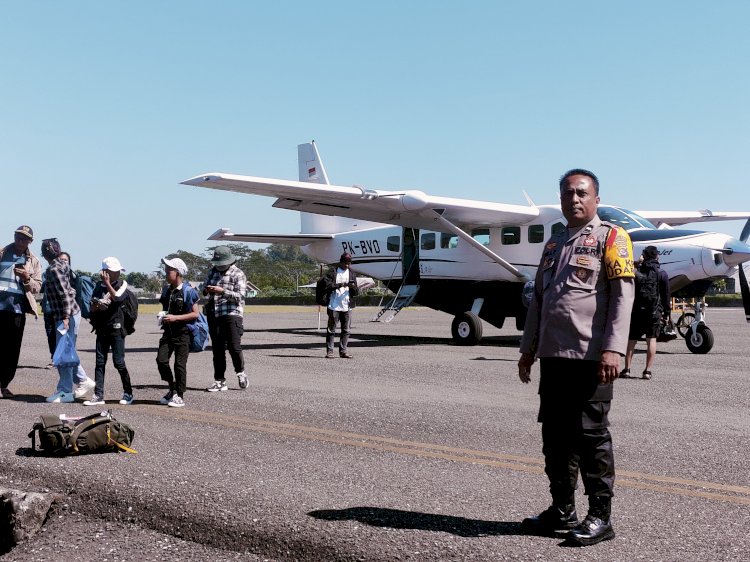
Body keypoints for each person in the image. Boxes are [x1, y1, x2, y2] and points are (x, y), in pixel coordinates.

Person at [518, 169, 635, 546]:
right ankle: (561, 510)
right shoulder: (553, 246)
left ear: (596, 199)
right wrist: (527, 348)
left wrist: (614, 347)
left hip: (591, 357)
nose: (575, 199)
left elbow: (622, 298)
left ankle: (600, 517)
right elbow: (540, 299)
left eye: (582, 193)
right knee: (555, 437)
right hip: (554, 356)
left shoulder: (612, 238)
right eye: (568, 193)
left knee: (591, 437)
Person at [42, 239, 95, 403]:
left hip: (66, 315)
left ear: (44, 254)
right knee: (67, 350)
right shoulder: (63, 265)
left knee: (64, 353)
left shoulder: (54, 268)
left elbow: (65, 293)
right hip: (71, 313)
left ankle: (65, 391)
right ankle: (83, 380)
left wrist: (65, 317)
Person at [84, 257, 134, 406]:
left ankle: (128, 393)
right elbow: (91, 308)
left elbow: (118, 299)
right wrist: (97, 305)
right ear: (105, 271)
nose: (117, 273)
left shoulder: (122, 284)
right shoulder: (98, 286)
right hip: (102, 328)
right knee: (100, 362)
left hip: (117, 328)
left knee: (119, 362)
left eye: (118, 270)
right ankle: (98, 395)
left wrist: (107, 284)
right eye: (114, 271)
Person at [0, 225, 42, 398]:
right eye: (18, 237)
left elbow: (37, 287)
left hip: (17, 311)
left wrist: (26, 278)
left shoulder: (34, 261)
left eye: (24, 239)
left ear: (30, 241)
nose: (20, 241)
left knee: (12, 350)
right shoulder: (2, 253)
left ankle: (4, 385)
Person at [202, 246, 248, 392]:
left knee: (234, 346)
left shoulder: (238, 273)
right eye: (217, 263)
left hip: (231, 313)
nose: (219, 266)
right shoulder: (212, 272)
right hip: (214, 313)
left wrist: (222, 291)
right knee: (217, 349)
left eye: (222, 263)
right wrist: (207, 289)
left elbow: (240, 296)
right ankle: (220, 380)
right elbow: (203, 289)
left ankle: (240, 373)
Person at [621, 246, 671, 380]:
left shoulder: (636, 272)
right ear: (657, 257)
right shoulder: (662, 273)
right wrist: (667, 313)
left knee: (631, 340)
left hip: (636, 311)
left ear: (644, 256)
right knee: (651, 340)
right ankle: (647, 371)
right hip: (653, 311)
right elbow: (666, 296)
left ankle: (626, 369)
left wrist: (639, 262)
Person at [156, 257, 199, 408]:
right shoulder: (167, 290)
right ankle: (172, 388)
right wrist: (163, 315)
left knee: (179, 365)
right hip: (168, 332)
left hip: (183, 332)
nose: (166, 273)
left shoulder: (188, 291)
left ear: (178, 272)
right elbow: (166, 308)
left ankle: (179, 395)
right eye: (166, 270)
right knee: (161, 360)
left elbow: (195, 314)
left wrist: (175, 318)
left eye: (169, 270)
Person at [323, 252, 359, 359]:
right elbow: (327, 286)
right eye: (345, 263)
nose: (347, 265)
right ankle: (330, 351)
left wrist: (352, 287)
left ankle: (343, 351)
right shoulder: (333, 272)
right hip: (333, 305)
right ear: (340, 262)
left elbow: (356, 291)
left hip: (347, 306)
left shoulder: (352, 273)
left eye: (349, 263)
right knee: (331, 330)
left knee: (346, 330)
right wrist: (341, 285)